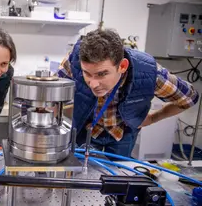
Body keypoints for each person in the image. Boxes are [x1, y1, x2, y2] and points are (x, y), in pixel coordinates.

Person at [57, 28, 199, 157]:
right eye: (87, 73)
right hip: (85, 129)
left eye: (101, 74)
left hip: (123, 135)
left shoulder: (149, 73)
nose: (93, 84)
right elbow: (53, 95)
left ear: (122, 66)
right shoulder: (74, 61)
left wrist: (154, 118)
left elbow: (189, 98)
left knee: (116, 177)